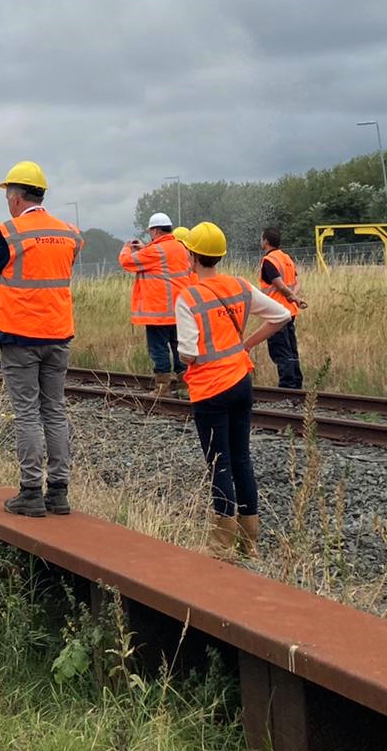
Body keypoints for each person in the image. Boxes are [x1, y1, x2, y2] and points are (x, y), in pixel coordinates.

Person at [0, 160, 84, 518]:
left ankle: (31, 492)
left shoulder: (7, 233)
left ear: (16, 197)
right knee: (54, 410)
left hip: (20, 334)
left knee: (26, 414)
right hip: (58, 332)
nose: (7, 202)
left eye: (8, 195)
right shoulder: (70, 233)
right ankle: (59, 493)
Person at [176, 222, 293, 557]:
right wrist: (246, 344)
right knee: (241, 457)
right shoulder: (239, 285)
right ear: (220, 256)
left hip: (210, 389)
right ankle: (249, 543)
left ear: (193, 256)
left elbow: (188, 353)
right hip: (241, 381)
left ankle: (221, 543)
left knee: (219, 462)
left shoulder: (189, 297)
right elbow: (282, 315)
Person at [118, 212, 196, 393]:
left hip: (159, 313)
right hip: (180, 310)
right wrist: (145, 248)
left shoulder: (154, 251)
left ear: (155, 231)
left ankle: (162, 386)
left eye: (150, 231)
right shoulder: (180, 248)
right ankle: (185, 385)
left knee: (158, 348)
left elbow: (127, 262)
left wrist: (126, 248)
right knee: (178, 346)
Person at [258, 227, 308, 389]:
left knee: (280, 350)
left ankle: (287, 387)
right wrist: (293, 297)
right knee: (291, 349)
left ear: (266, 241)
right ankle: (296, 383)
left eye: (261, 239)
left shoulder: (269, 260)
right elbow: (297, 282)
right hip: (290, 311)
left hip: (276, 312)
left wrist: (293, 297)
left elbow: (278, 284)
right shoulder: (286, 258)